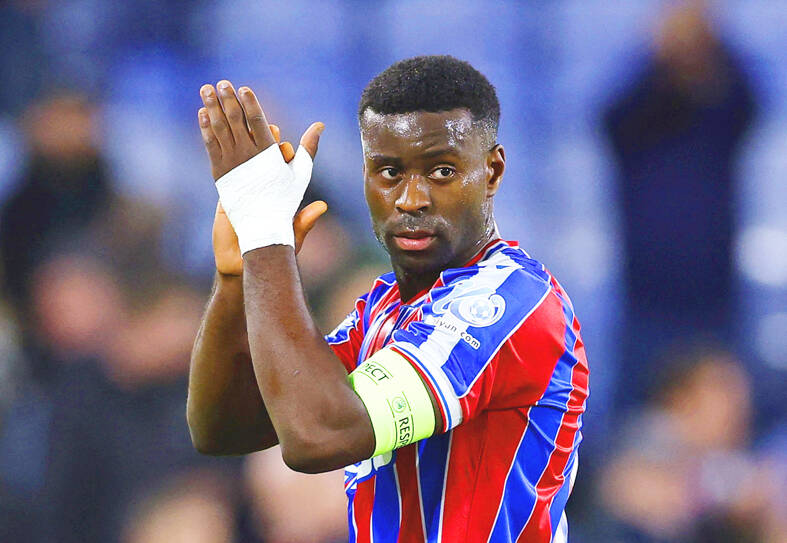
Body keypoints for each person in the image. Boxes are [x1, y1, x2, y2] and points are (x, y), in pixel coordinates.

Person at [188, 55, 589, 542]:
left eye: (442, 171)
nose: (410, 199)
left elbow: (319, 436)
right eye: (389, 172)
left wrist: (268, 241)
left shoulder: (509, 303)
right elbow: (225, 430)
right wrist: (237, 275)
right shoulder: (380, 309)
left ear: (492, 171)